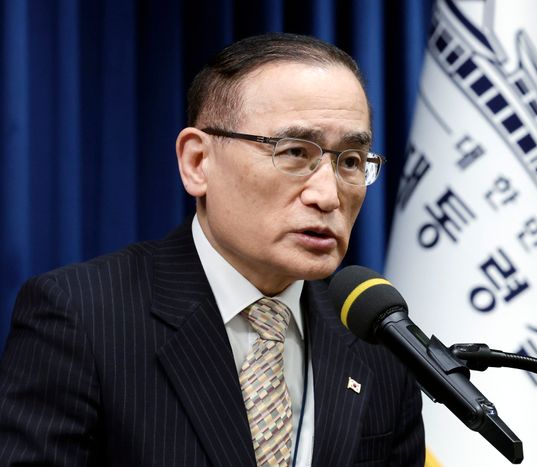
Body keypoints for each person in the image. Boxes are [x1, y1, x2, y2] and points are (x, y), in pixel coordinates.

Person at [0, 33, 425, 466]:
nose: (328, 196)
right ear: (197, 162)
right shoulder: (82, 318)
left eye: (351, 161)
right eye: (295, 152)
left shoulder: (378, 344)